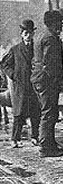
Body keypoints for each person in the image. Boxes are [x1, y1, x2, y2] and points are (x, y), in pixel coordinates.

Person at [31, 11, 63, 157]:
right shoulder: (51, 38)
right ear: (53, 23)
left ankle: (49, 143)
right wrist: (57, 81)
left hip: (38, 78)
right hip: (47, 80)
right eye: (59, 22)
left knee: (48, 112)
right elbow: (49, 63)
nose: (61, 25)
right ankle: (45, 147)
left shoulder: (40, 36)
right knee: (49, 113)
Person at [0, 20, 40, 148]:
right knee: (19, 113)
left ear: (33, 33)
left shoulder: (37, 48)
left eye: (30, 33)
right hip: (21, 86)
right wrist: (13, 75)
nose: (28, 35)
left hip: (34, 85)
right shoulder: (15, 49)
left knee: (35, 113)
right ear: (22, 34)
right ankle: (15, 139)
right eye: (26, 33)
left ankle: (35, 137)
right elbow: (4, 64)